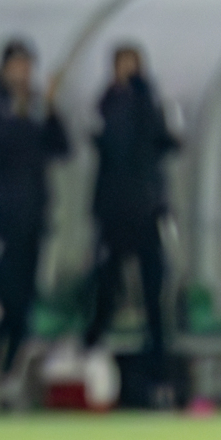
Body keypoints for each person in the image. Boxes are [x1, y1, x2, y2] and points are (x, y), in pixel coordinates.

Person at [82, 43, 181, 406]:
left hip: (148, 211)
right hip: (114, 212)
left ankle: (159, 376)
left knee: (155, 295)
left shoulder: (152, 103)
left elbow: (167, 140)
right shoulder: (105, 103)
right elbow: (104, 143)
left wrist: (144, 96)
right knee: (106, 288)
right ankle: (89, 356)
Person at [0, 38, 69, 402]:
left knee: (25, 299)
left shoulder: (36, 109)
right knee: (6, 297)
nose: (23, 75)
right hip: (0, 219)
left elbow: (61, 147)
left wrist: (47, 107)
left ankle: (8, 371)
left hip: (32, 217)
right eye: (18, 67)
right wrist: (18, 113)